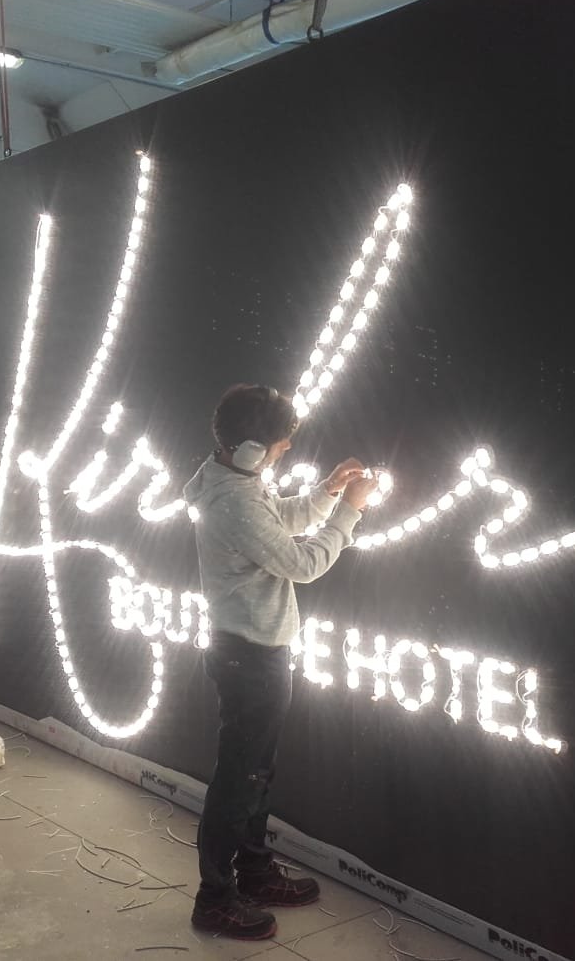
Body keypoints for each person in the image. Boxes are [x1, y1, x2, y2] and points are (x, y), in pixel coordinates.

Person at [181, 383, 376, 940]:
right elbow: (303, 563)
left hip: (251, 651)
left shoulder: (234, 480)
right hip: (251, 658)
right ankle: (215, 898)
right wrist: (349, 513)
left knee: (255, 773)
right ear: (250, 449)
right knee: (239, 780)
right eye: (280, 442)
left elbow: (278, 520)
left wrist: (328, 492)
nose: (286, 448)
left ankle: (254, 870)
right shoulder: (234, 501)